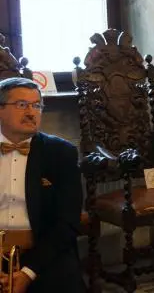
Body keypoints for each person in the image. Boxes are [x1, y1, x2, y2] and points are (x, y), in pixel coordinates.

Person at [0, 77, 84, 293]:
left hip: (42, 252)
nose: (31, 112)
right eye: (22, 104)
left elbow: (68, 221)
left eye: (37, 105)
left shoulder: (61, 153)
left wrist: (28, 272)